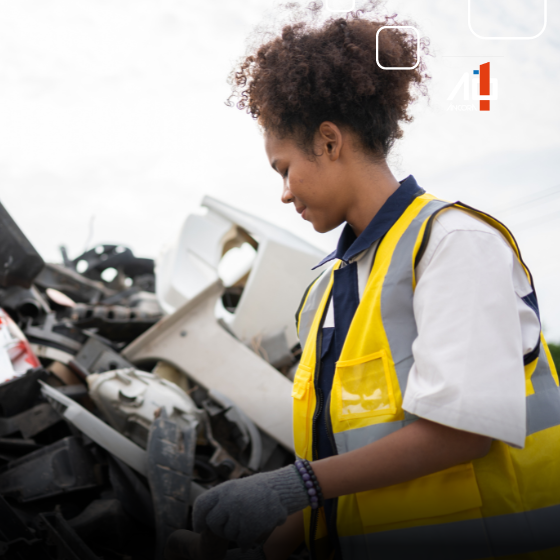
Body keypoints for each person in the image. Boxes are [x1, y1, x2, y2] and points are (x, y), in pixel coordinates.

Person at [185, 4, 560, 560]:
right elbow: (352, 466)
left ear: (330, 141)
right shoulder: (327, 290)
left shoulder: (453, 244)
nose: (284, 192)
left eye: (284, 168)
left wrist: (292, 486)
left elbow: (464, 431)